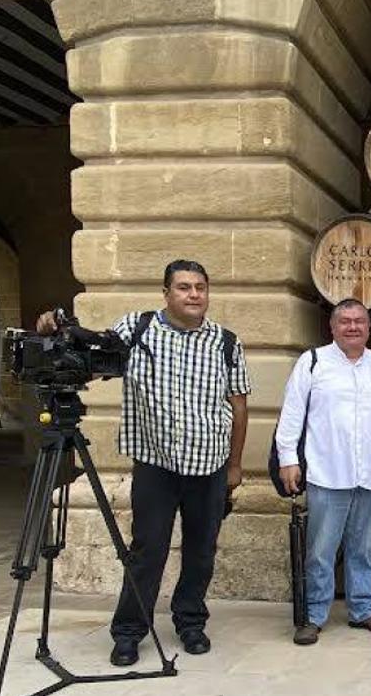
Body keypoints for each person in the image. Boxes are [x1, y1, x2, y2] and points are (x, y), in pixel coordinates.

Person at [37, 259, 251, 666]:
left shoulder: (226, 342)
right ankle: (130, 631)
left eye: (200, 287)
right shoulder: (137, 329)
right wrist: (55, 330)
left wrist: (235, 465)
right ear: (166, 293)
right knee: (146, 551)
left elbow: (238, 406)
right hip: (156, 464)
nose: (193, 295)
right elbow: (90, 353)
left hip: (209, 465)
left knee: (201, 552)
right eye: (184, 287)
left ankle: (190, 622)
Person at [276, 298, 371, 646]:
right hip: (327, 472)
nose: (352, 327)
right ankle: (314, 615)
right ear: (332, 327)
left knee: (363, 548)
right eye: (345, 321)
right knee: (321, 550)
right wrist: (287, 459)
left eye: (359, 321)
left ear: (369, 327)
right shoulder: (313, 363)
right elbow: (292, 415)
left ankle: (363, 609)